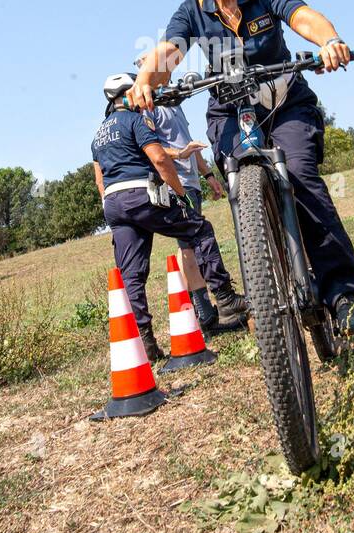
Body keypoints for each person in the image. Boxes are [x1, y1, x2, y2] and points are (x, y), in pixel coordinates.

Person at [129, 0, 354, 334]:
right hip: (229, 112)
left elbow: (303, 17)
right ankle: (266, 282)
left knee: (298, 173)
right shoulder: (191, 11)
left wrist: (330, 39)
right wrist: (146, 80)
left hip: (285, 104)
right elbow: (168, 52)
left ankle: (341, 293)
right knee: (243, 186)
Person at [91, 73, 247, 363]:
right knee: (199, 230)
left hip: (113, 202)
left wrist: (112, 207)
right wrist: (180, 195)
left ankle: (146, 344)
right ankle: (224, 298)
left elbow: (100, 180)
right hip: (141, 195)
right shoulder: (135, 121)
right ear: (127, 94)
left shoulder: (98, 134)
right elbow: (159, 158)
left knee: (132, 274)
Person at [151, 99, 245, 336]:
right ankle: (204, 316)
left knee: (191, 248)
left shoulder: (173, 103)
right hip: (176, 184)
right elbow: (153, 148)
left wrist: (209, 175)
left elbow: (189, 147)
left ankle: (205, 315)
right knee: (189, 249)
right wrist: (180, 154)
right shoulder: (149, 107)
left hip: (191, 184)